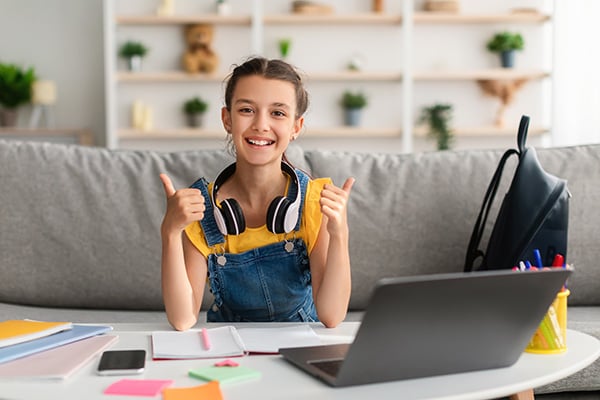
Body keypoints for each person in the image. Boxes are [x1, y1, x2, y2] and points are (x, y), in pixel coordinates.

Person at [159, 57, 354, 331]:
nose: (261, 125)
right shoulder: (201, 207)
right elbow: (182, 320)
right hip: (230, 345)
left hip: (296, 343)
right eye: (247, 110)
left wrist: (339, 233)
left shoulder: (313, 201)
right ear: (227, 119)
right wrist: (169, 232)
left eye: (278, 113)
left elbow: (332, 316)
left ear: (296, 127)